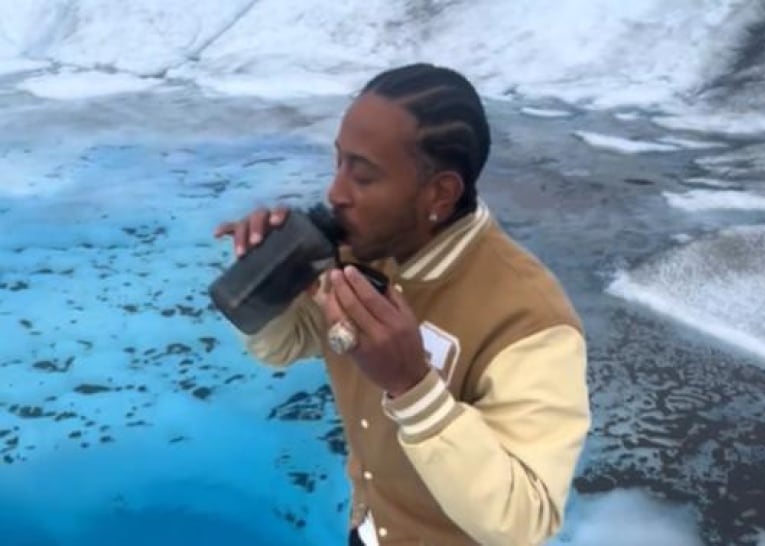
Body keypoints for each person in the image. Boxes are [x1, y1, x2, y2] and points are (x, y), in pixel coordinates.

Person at [214, 63, 590, 546]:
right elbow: (283, 347)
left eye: (363, 175)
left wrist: (414, 389)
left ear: (440, 192)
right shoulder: (348, 254)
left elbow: (526, 519)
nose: (335, 191)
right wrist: (265, 282)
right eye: (339, 163)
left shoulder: (529, 321)